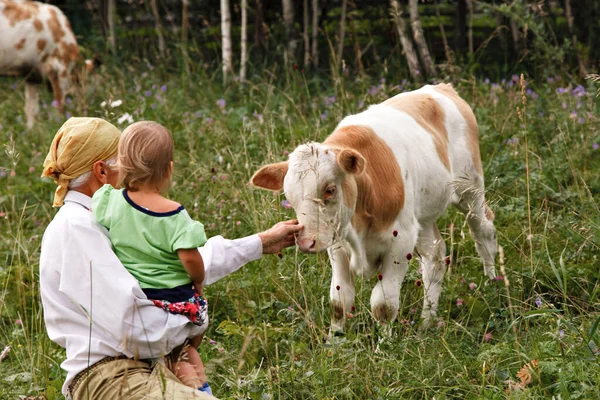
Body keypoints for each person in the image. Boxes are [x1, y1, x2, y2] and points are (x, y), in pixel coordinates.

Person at [39, 117, 302, 400]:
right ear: (102, 171)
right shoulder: (76, 229)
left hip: (143, 367)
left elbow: (170, 266)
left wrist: (260, 242)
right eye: (127, 164)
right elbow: (134, 329)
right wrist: (195, 319)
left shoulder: (107, 215)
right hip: (109, 378)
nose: (133, 174)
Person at [92, 121, 212, 394]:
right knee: (188, 347)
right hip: (174, 298)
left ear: (121, 164)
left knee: (168, 353)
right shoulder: (174, 216)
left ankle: (170, 375)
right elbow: (191, 259)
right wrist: (199, 280)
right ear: (169, 169)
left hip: (139, 300)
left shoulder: (110, 202)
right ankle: (200, 389)